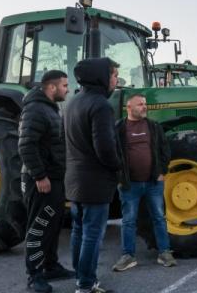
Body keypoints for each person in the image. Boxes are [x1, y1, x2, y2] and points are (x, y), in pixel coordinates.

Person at [64, 58, 123, 293]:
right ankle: (86, 284)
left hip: (75, 181)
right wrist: (118, 167)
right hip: (95, 183)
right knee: (92, 235)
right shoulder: (101, 105)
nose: (116, 80)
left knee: (79, 231)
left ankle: (82, 278)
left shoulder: (73, 102)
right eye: (114, 75)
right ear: (102, 77)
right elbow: (105, 148)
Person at [18, 70, 73, 293]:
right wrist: (39, 175)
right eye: (64, 86)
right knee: (39, 227)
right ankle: (34, 276)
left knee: (53, 224)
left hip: (54, 178)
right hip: (41, 180)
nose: (67, 89)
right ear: (51, 87)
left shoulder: (50, 108)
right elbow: (26, 145)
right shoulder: (35, 110)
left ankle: (50, 266)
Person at [112, 94, 176, 272]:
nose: (144, 107)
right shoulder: (118, 128)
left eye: (145, 104)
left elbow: (165, 150)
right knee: (129, 221)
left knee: (159, 218)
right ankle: (128, 256)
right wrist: (119, 176)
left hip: (153, 183)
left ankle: (164, 253)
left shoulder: (154, 127)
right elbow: (113, 153)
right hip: (129, 185)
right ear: (129, 108)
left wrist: (162, 172)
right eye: (140, 104)